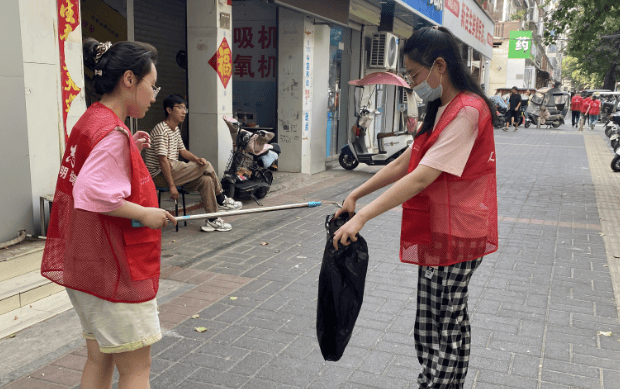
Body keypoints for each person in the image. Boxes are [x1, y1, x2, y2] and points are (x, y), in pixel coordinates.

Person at [333, 26, 498, 388]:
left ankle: (442, 384)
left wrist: (362, 217)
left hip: (461, 232)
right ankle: (432, 378)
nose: (413, 83)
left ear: (440, 65)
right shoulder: (440, 108)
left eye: (413, 74)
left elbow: (422, 177)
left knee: (447, 320)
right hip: (439, 228)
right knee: (429, 319)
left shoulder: (468, 111)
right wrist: (356, 194)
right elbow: (405, 162)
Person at [41, 38, 177, 389]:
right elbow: (93, 192)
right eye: (153, 85)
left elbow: (91, 173)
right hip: (113, 268)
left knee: (99, 358)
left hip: (86, 263)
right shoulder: (113, 133)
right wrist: (146, 214)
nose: (154, 95)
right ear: (129, 80)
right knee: (135, 370)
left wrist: (131, 145)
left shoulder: (92, 120)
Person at [143, 94, 242, 232]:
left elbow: (183, 151)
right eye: (180, 107)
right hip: (159, 175)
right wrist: (172, 187)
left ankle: (213, 219)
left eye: (185, 108)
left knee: (206, 179)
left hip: (173, 170)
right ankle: (221, 198)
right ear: (169, 110)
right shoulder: (161, 130)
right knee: (206, 165)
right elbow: (162, 161)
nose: (184, 111)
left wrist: (196, 159)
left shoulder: (175, 129)